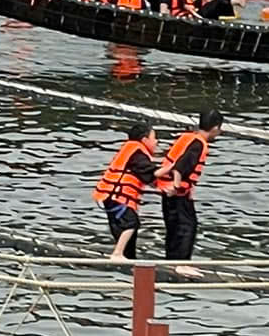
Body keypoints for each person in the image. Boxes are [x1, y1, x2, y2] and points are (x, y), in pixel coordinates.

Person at [158, 109, 222, 261]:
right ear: (215, 128)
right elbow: (179, 167)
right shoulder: (198, 144)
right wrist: (176, 186)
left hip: (168, 191)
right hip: (176, 193)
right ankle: (181, 264)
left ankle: (172, 261)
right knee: (186, 227)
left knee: (174, 229)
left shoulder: (188, 137)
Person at [93, 125, 161, 261]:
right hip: (117, 197)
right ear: (144, 140)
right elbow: (151, 172)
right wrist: (172, 168)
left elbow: (147, 177)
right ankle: (117, 254)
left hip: (110, 197)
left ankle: (126, 258)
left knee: (127, 235)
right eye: (154, 138)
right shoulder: (138, 153)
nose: (157, 142)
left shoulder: (131, 151)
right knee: (131, 223)